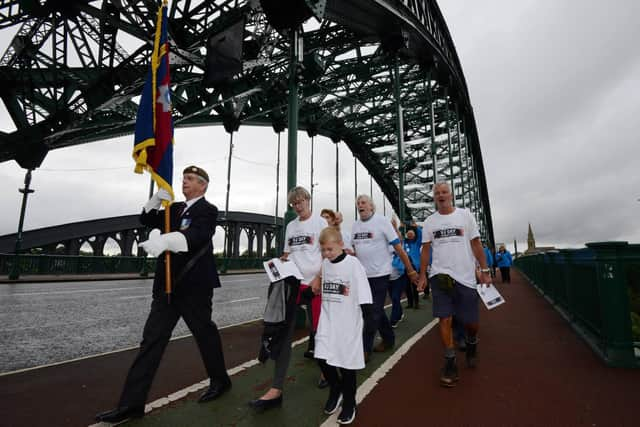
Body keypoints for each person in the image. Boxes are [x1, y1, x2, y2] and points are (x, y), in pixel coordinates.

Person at [95, 166, 230, 423]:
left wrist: (166, 241)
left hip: (194, 287)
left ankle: (220, 380)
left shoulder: (208, 211)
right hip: (166, 288)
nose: (184, 183)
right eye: (183, 179)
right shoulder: (174, 209)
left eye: (190, 179)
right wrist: (157, 199)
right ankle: (131, 405)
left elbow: (197, 237)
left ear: (203, 185)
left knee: (205, 335)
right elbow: (146, 220)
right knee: (151, 342)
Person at [249, 186, 327, 411]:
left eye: (301, 201)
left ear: (308, 200)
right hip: (291, 284)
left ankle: (326, 370)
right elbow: (287, 253)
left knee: (318, 330)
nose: (298, 206)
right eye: (294, 203)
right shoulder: (291, 226)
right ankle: (276, 389)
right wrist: (278, 263)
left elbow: (327, 253)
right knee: (283, 334)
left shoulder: (320, 224)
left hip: (313, 284)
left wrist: (319, 280)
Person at [417, 182, 492, 388]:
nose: (440, 195)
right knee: (445, 318)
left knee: (471, 323)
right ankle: (450, 361)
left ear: (451, 195)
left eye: (444, 192)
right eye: (437, 193)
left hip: (466, 276)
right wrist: (423, 275)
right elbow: (425, 250)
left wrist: (484, 271)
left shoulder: (465, 216)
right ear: (434, 197)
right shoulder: (430, 221)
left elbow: (476, 244)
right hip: (440, 275)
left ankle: (472, 342)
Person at [314, 227, 373, 425]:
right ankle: (335, 388)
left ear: (341, 245)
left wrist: (368, 314)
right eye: (323, 250)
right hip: (328, 320)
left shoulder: (353, 264)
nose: (326, 254)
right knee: (322, 358)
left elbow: (363, 289)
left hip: (348, 321)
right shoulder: (325, 264)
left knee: (347, 366)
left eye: (330, 249)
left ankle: (350, 402)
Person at [351, 195, 418, 358]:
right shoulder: (354, 226)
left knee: (372, 312)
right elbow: (354, 250)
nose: (360, 205)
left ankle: (365, 349)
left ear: (371, 207)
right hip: (362, 275)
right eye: (358, 203)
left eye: (363, 202)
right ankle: (388, 338)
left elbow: (398, 248)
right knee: (374, 309)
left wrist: (410, 270)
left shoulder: (382, 222)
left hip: (381, 273)